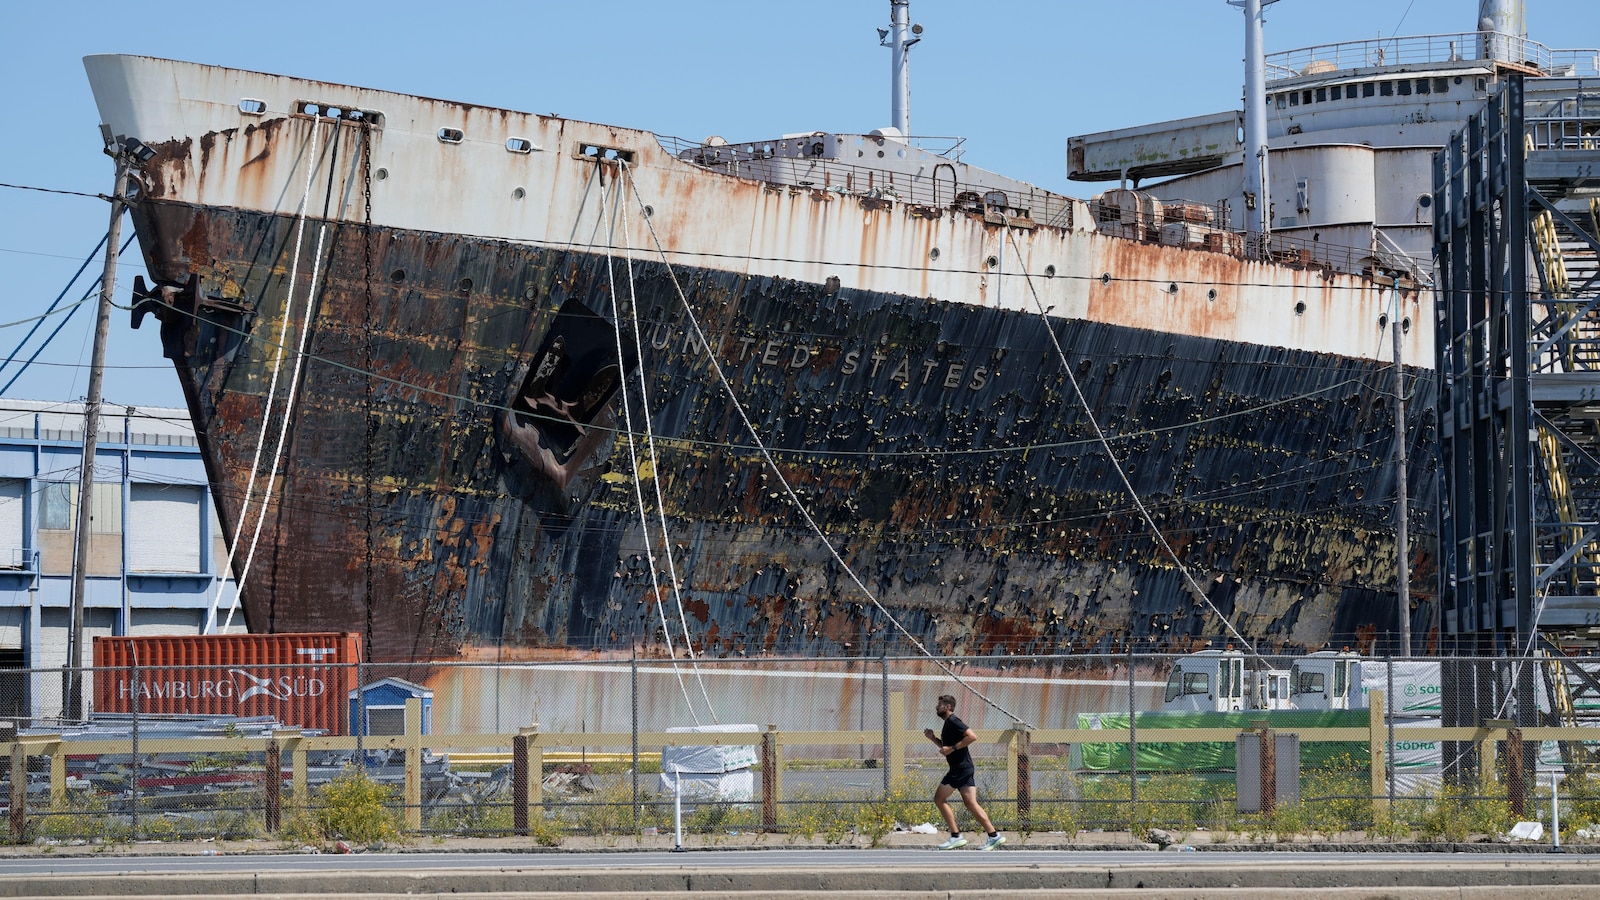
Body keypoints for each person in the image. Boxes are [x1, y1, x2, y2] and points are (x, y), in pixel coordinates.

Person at [923, 693, 1004, 850]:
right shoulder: (948, 724)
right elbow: (947, 749)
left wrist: (952, 748)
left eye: (939, 705)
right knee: (971, 803)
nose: (936, 707)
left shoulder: (954, 721)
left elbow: (972, 736)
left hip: (959, 769)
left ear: (948, 707)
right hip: (963, 767)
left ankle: (955, 836)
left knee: (939, 799)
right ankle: (994, 836)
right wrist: (933, 738)